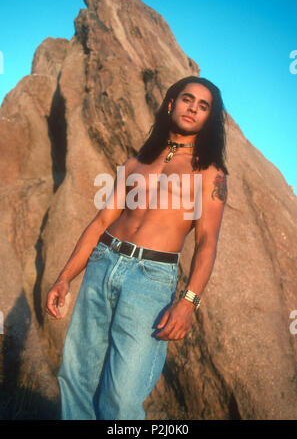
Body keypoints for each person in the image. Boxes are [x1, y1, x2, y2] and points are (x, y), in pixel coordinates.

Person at [45, 76, 229, 420]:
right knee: (76, 378)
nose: (193, 108)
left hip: (151, 278)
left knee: (122, 399)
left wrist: (188, 302)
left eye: (203, 106)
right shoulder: (135, 164)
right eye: (188, 99)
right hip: (103, 261)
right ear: (171, 103)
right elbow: (100, 224)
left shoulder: (210, 175)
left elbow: (207, 242)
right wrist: (64, 278)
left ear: (208, 119)